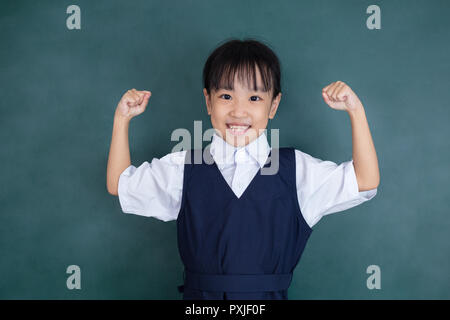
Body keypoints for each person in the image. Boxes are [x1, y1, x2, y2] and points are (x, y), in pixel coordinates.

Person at [106, 38, 380, 300]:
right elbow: (119, 183)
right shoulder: (184, 168)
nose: (238, 111)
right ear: (208, 102)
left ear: (273, 105)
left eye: (254, 98)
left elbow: (365, 180)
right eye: (226, 95)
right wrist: (122, 119)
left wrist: (356, 111)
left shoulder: (297, 171)